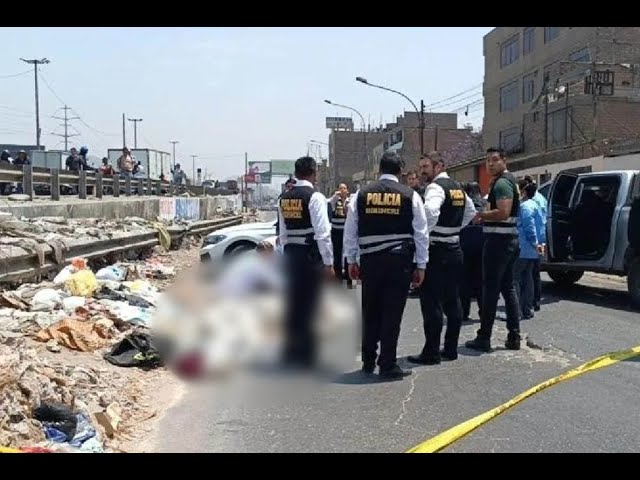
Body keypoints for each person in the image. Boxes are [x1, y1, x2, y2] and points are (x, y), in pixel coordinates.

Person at [344, 152, 428, 379]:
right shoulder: (410, 195)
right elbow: (421, 233)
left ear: (379, 169)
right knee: (392, 313)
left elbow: (350, 230)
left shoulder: (360, 195)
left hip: (370, 262)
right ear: (401, 171)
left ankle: (368, 360)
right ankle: (388, 363)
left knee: (370, 310)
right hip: (399, 262)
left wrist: (351, 260)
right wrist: (421, 265)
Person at [408, 152, 476, 365]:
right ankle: (451, 348)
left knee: (431, 303)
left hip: (437, 251)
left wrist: (423, 232)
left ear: (439, 166)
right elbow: (471, 212)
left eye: (426, 166)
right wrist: (453, 229)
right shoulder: (457, 187)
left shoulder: (436, 187)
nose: (422, 171)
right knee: (452, 300)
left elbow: (430, 211)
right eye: (421, 166)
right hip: (454, 249)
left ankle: (431, 352)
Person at [278, 156, 333, 368]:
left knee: (293, 304)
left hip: (291, 254)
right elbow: (322, 233)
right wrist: (328, 262)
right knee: (311, 304)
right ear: (313, 173)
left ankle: (291, 351)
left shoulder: (284, 197)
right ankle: (308, 354)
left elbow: (282, 232)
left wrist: (286, 255)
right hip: (310, 255)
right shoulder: (315, 196)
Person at [466, 147, 522, 352]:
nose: (490, 164)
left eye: (494, 160)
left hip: (499, 242)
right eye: (487, 161)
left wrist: (481, 215)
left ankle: (484, 336)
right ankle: (514, 335)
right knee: (508, 288)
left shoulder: (502, 183)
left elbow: (503, 212)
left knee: (490, 289)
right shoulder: (509, 181)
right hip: (508, 241)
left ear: (504, 160)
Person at [460, 182, 486, 322]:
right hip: (482, 244)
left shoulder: (465, 205)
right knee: (481, 280)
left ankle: (464, 312)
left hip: (465, 243)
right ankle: (483, 313)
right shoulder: (485, 203)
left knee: (464, 280)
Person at [515, 180, 541, 320]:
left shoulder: (525, 207)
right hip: (531, 250)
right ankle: (527, 309)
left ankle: (516, 311)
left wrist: (533, 241)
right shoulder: (536, 204)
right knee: (528, 278)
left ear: (524, 192)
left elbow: (529, 226)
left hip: (523, 247)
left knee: (514, 280)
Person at [523, 175, 547, 311]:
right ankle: (535, 301)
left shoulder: (530, 202)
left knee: (528, 274)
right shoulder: (542, 199)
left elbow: (529, 224)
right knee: (535, 273)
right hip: (540, 238)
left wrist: (534, 242)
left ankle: (529, 303)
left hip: (532, 242)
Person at [328, 183, 353, 288]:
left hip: (346, 231)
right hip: (336, 230)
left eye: (344, 188)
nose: (343, 190)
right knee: (337, 253)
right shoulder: (334, 201)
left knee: (347, 253)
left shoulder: (350, 201)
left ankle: (348, 277)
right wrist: (336, 195)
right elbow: (329, 201)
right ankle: (337, 277)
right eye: (341, 188)